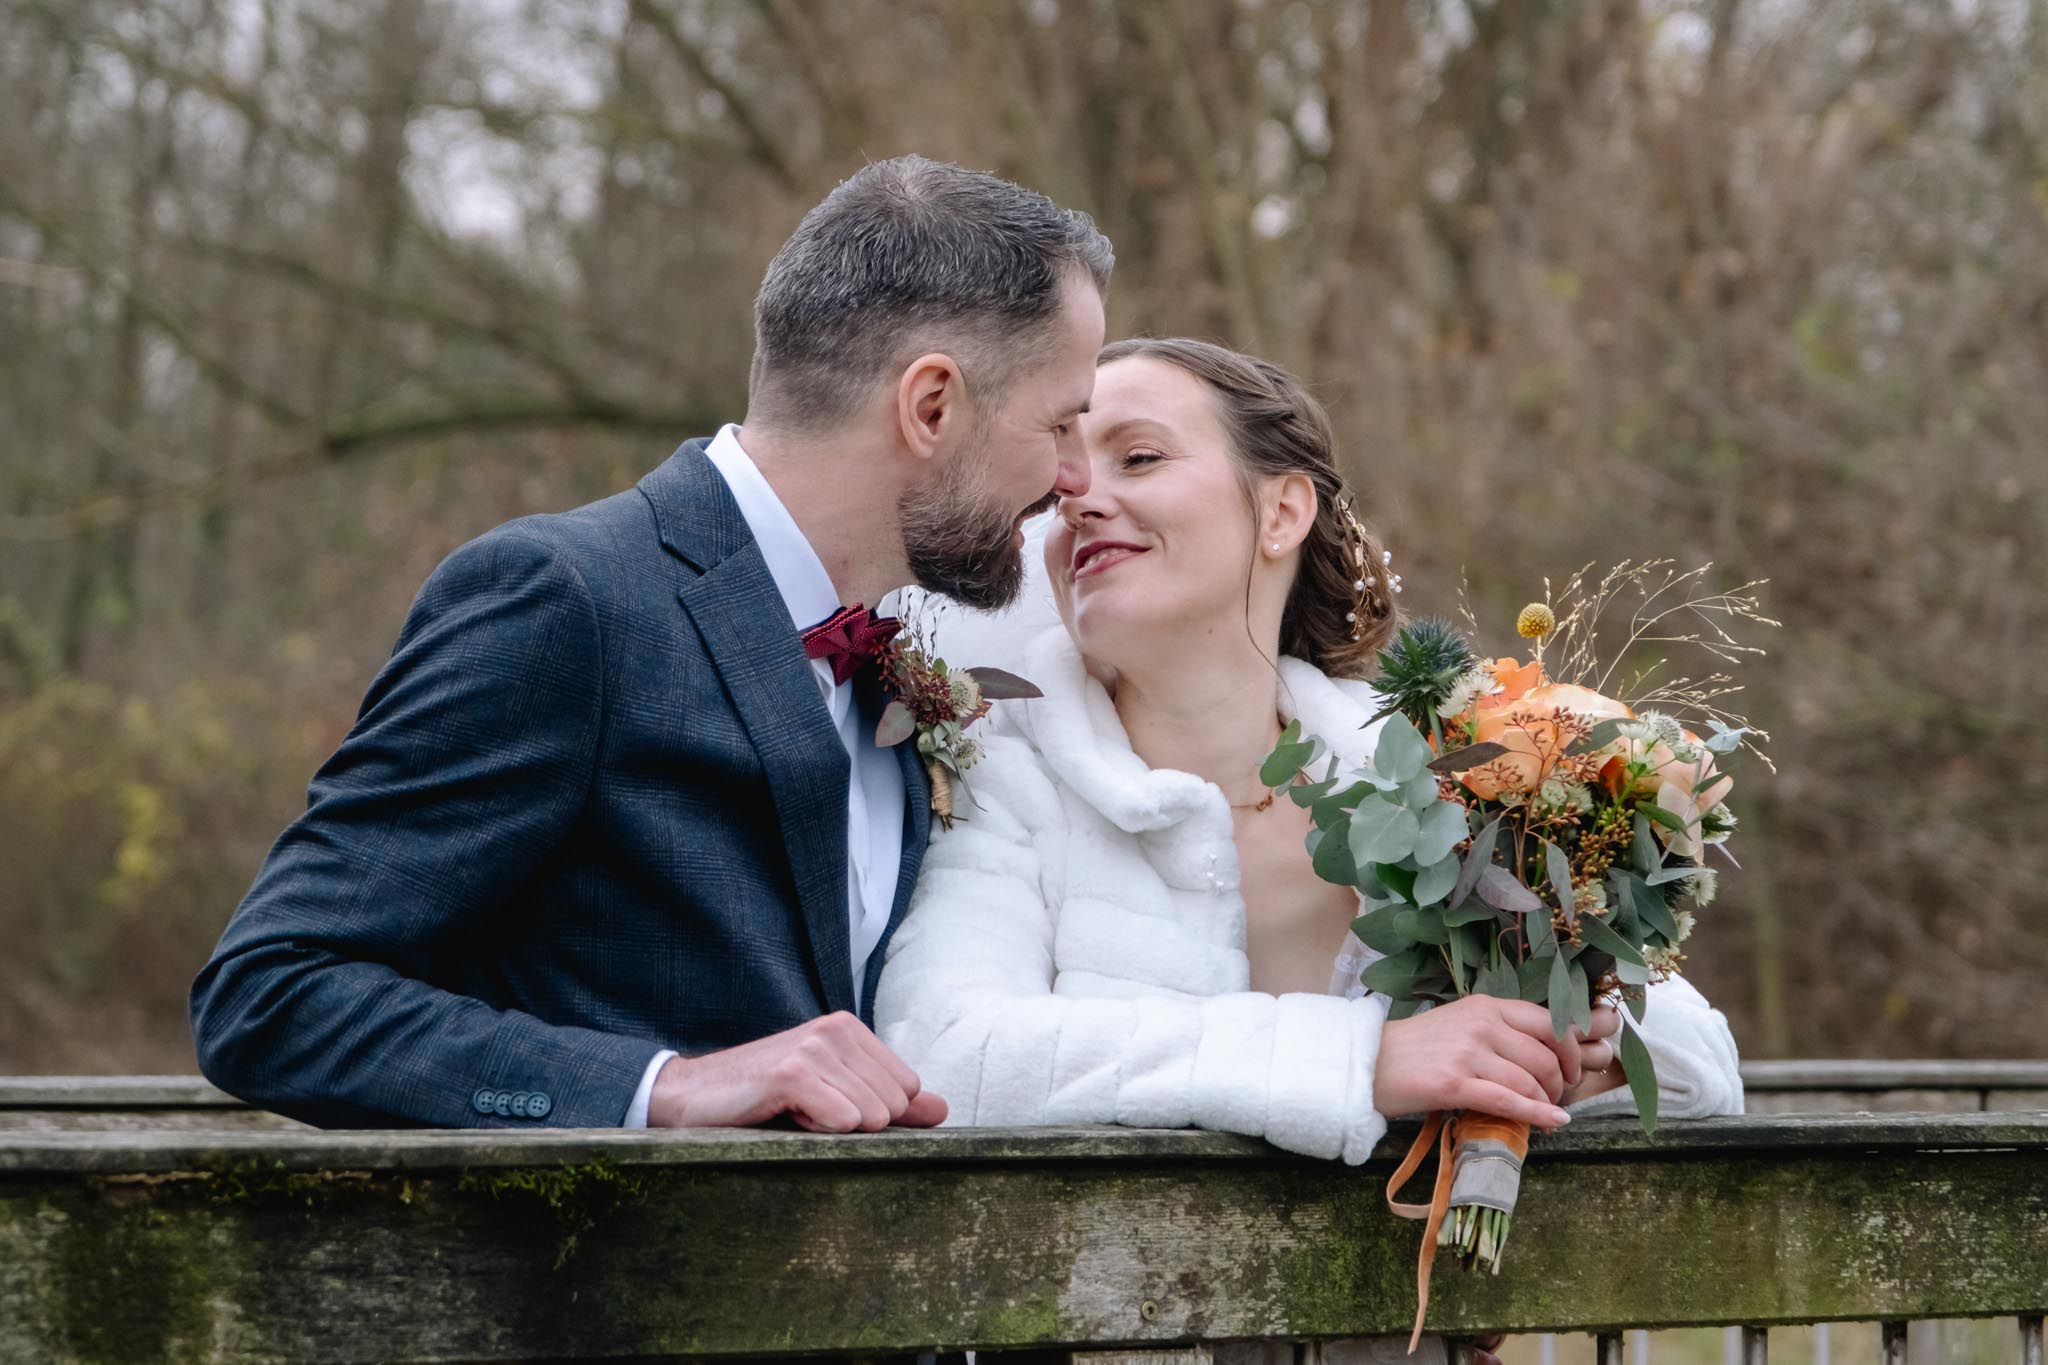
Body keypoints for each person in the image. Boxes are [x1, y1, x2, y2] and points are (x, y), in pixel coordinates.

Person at [189, 156, 1113, 1133]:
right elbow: (271, 995)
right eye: (1060, 423)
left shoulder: (904, 661)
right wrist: (663, 1086)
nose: (1076, 476)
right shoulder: (565, 600)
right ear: (930, 406)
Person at [874, 338, 1744, 1359]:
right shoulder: (1001, 777)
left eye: (1138, 457)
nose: (1080, 499)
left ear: (1281, 511)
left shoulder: (1439, 774)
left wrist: (1565, 1046)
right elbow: (943, 1056)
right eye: (1063, 477)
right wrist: (1364, 1062)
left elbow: (1699, 1067)